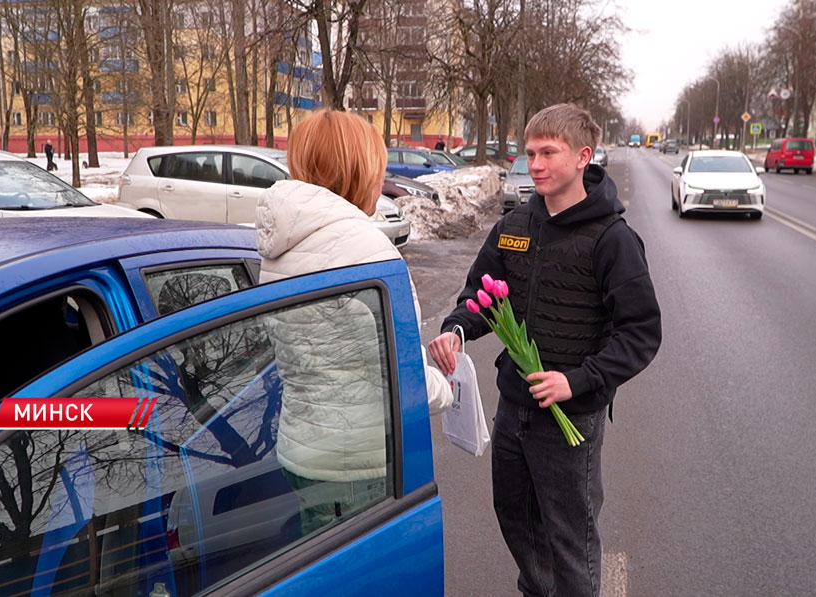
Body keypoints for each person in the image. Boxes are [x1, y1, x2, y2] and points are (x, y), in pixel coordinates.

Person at [428, 103, 662, 596]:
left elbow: (640, 332)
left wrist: (575, 381)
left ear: (582, 156)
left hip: (571, 416)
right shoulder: (515, 226)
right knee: (516, 518)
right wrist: (456, 329)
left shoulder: (612, 239)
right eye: (529, 152)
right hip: (515, 407)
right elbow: (480, 296)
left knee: (570, 539)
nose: (535, 163)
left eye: (547, 152)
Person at [255, 109, 453, 534]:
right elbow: (401, 374)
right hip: (354, 468)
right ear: (358, 171)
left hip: (301, 449)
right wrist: (450, 390)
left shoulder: (281, 245)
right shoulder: (366, 251)